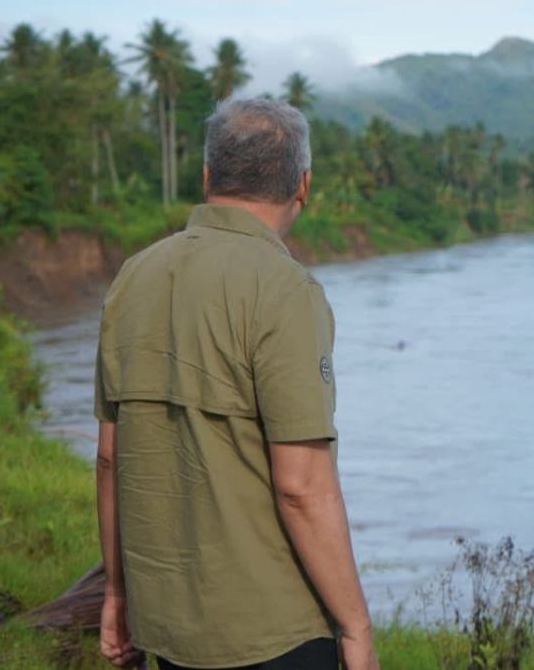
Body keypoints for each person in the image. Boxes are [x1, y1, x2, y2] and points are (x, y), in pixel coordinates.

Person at [93, 98, 378, 670]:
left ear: (207, 178)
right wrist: (356, 627)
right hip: (274, 634)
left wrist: (118, 594)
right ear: (303, 185)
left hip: (167, 627)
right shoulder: (285, 291)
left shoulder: (134, 278)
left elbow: (109, 458)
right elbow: (301, 486)